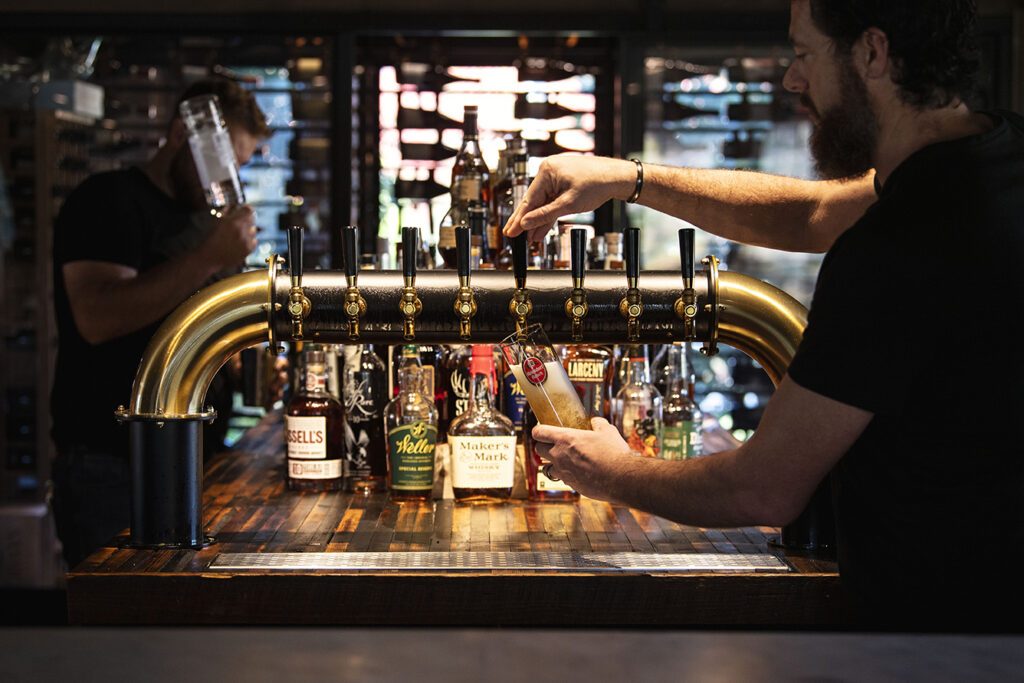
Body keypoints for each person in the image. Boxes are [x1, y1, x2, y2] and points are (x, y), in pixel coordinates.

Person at [504, 0, 1023, 631]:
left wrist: (612, 471)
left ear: (873, 53)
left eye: (803, 54)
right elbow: (810, 213)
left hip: (950, 635)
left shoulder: (898, 245)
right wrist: (627, 178)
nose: (792, 80)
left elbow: (765, 488)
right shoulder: (994, 155)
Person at [50, 78, 273, 569]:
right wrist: (208, 256)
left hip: (195, 459)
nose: (226, 181)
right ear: (179, 134)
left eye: (237, 168)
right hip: (112, 465)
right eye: (220, 164)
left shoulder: (204, 223)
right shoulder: (107, 200)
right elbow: (96, 317)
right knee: (119, 609)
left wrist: (244, 367)